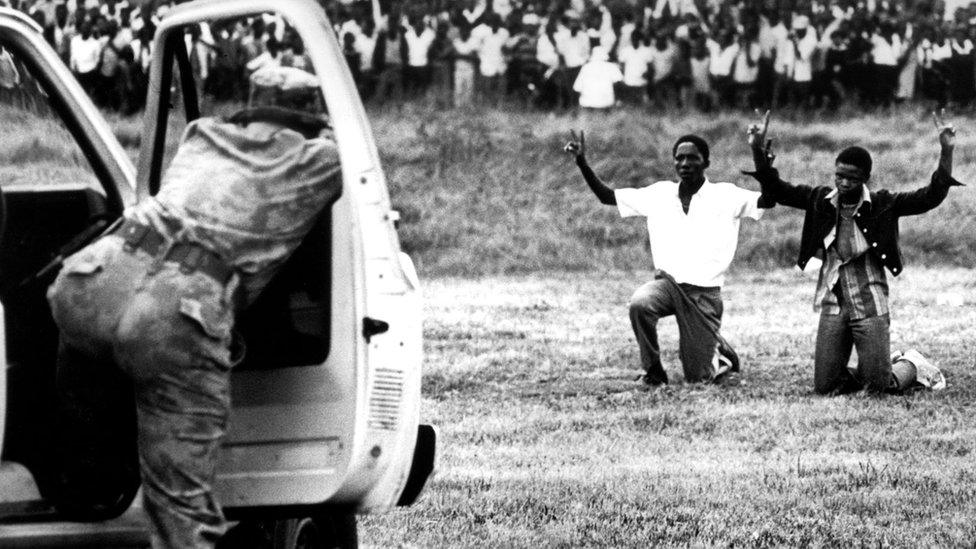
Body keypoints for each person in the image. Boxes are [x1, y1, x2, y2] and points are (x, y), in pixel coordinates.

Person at [47, 105, 342, 548]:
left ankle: (87, 479)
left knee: (89, 383)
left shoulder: (202, 137)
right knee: (180, 504)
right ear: (303, 128)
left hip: (94, 280)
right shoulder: (313, 160)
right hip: (174, 313)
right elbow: (359, 161)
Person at [744, 111, 962, 395]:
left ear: (866, 178)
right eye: (839, 176)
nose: (844, 183)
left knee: (879, 388)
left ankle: (912, 364)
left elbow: (930, 196)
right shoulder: (820, 200)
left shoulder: (884, 204)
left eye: (852, 178)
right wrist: (756, 149)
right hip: (834, 302)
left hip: (869, 302)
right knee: (826, 387)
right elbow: (778, 189)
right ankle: (873, 366)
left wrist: (947, 151)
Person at [563, 130, 772, 385]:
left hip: (703, 293)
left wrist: (759, 157)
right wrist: (582, 163)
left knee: (699, 379)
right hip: (668, 285)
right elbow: (607, 196)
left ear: (706, 163)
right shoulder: (659, 194)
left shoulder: (726, 195)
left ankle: (719, 352)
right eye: (679, 158)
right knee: (640, 303)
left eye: (692, 158)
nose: (685, 164)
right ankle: (652, 372)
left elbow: (767, 201)